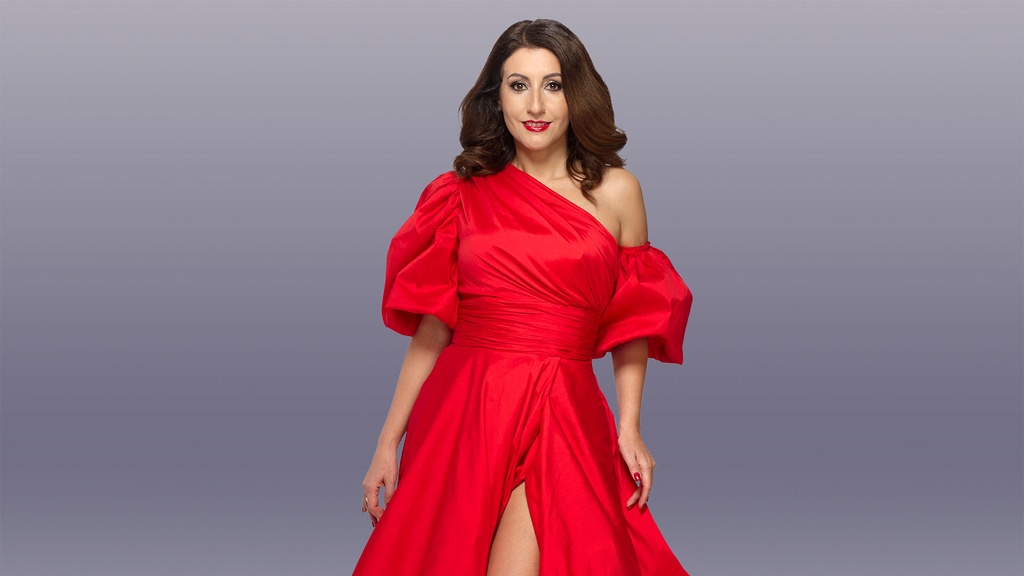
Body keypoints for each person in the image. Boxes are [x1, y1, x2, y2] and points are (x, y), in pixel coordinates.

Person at [353, 18, 694, 576]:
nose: (536, 104)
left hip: (564, 407)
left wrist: (630, 426)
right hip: (468, 407)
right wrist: (387, 442)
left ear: (576, 94)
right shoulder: (458, 194)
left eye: (553, 85)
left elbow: (634, 320)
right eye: (518, 85)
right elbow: (433, 329)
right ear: (498, 98)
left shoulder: (617, 192)